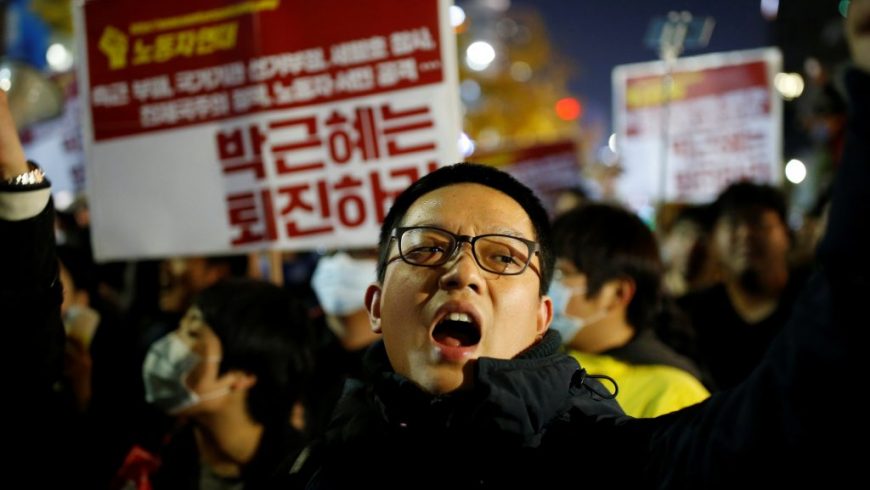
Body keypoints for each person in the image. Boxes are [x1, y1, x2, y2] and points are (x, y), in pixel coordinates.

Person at [4, 2, 867, 486]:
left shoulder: (606, 465)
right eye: (426, 249)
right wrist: (14, 196)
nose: (461, 268)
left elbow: (812, 404)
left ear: (543, 318)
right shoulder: (327, 466)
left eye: (502, 257)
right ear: (377, 306)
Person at [115, 278, 315, 490]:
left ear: (243, 375)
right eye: (179, 329)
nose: (169, 344)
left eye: (192, 334)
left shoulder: (306, 475)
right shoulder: (147, 456)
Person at [549, 203, 709, 417]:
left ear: (617, 294)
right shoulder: (547, 366)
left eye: (561, 273)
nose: (545, 286)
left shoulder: (673, 393)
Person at [676, 181, 809, 391]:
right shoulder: (688, 317)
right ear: (713, 241)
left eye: (758, 223)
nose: (745, 233)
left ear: (787, 235)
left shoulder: (816, 305)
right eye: (733, 224)